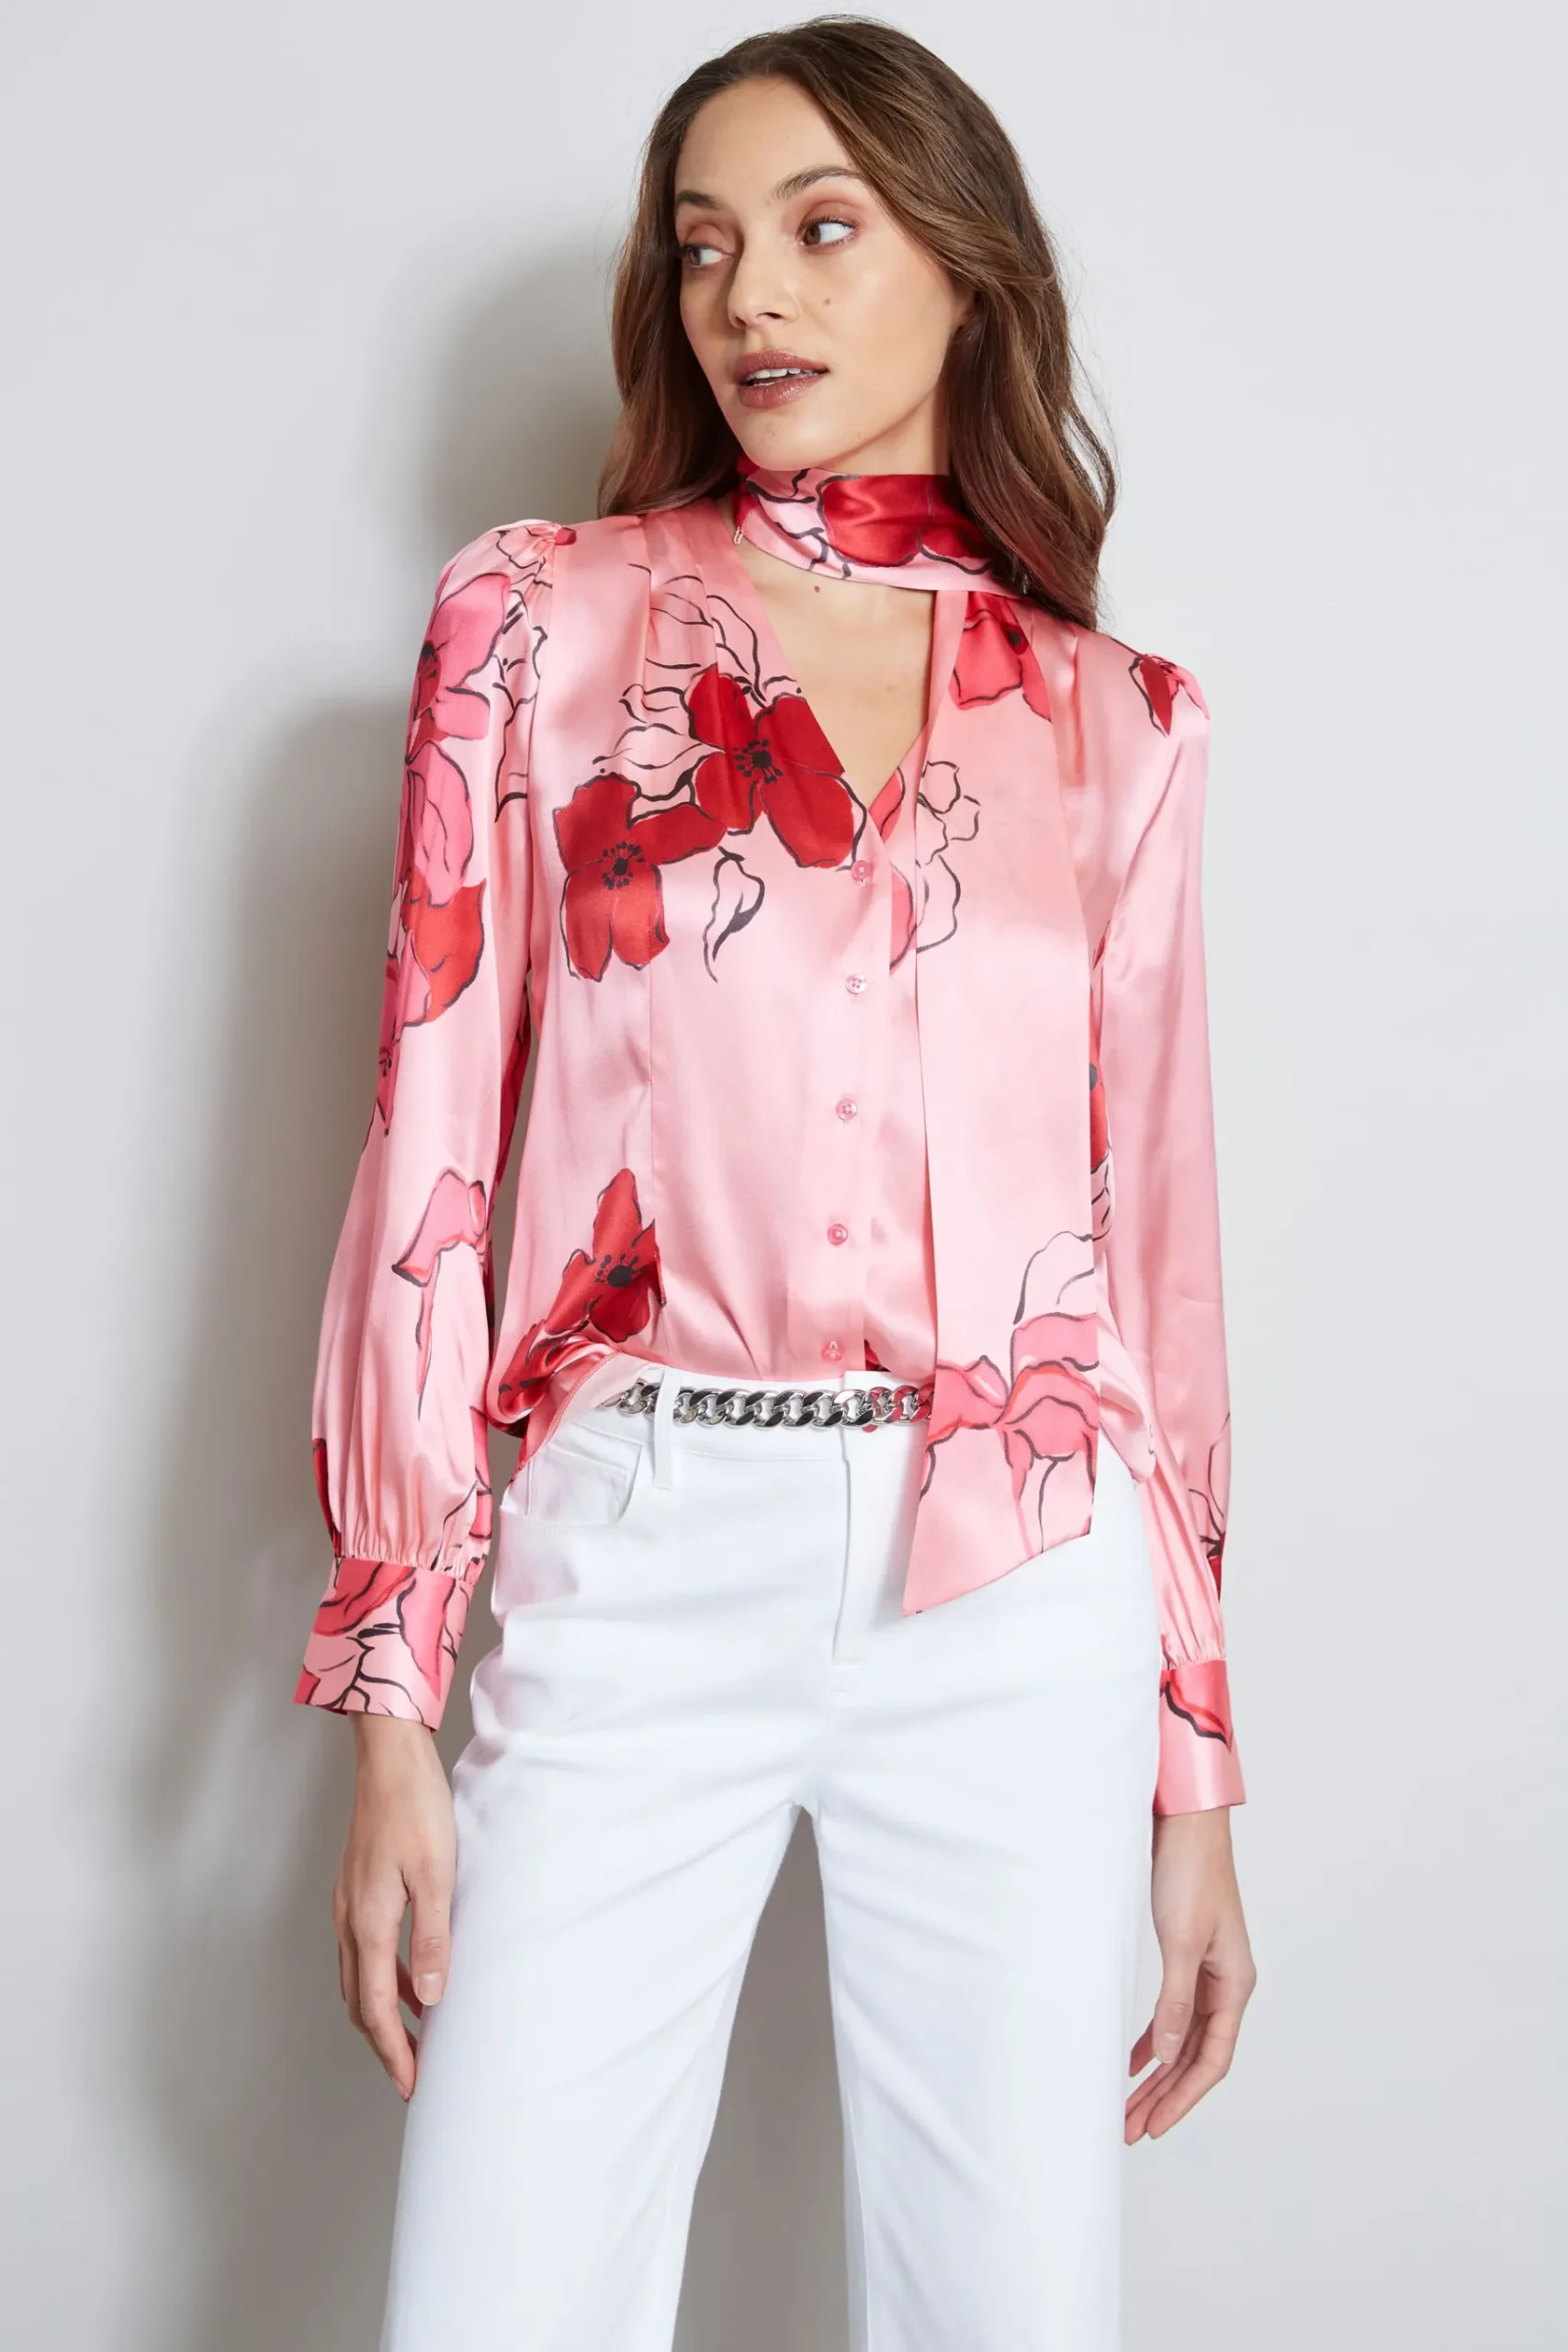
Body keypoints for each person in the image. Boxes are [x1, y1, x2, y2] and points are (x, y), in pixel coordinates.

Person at [295, 17, 1258, 2349]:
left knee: (1009, 2308)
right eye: (707, 244)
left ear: (965, 267)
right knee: (495, 2300)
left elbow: (1150, 1274)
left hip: (1016, 1583)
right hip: (637, 1542)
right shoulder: (538, 624)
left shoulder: (1117, 721)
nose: (753, 297)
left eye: (825, 228)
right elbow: (431, 1149)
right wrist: (395, 1693)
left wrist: (1196, 1774)